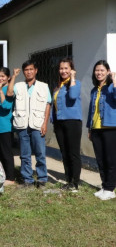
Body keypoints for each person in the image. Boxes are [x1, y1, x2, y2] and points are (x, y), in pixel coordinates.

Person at [7, 60, 51, 187]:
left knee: (40, 153)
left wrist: (45, 123)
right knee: (25, 155)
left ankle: (42, 178)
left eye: (31, 69)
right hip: (22, 124)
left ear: (36, 70)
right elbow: (9, 93)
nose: (29, 72)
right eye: (26, 70)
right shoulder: (18, 86)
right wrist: (14, 76)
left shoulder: (44, 86)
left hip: (37, 124)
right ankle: (28, 179)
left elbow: (48, 105)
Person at [87, 60, 116, 201]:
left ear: (108, 72)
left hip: (110, 128)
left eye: (102, 70)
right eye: (97, 70)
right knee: (100, 159)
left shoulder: (111, 87)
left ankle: (110, 189)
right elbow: (91, 111)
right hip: (96, 128)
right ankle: (104, 186)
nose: (99, 73)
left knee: (110, 159)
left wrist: (115, 81)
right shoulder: (94, 90)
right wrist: (90, 128)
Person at [52, 58, 82, 192]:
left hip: (72, 122)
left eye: (66, 68)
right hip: (59, 123)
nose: (63, 71)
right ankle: (68, 180)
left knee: (73, 153)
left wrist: (73, 77)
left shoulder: (76, 84)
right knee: (64, 152)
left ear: (71, 70)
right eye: (61, 68)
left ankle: (75, 182)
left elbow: (73, 95)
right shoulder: (58, 86)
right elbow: (54, 105)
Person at [0, 67, 17, 186]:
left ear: (8, 78)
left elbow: (6, 107)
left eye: (3, 76)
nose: (0, 78)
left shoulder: (8, 89)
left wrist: (1, 91)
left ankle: (11, 177)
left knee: (6, 152)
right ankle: (4, 174)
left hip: (5, 126)